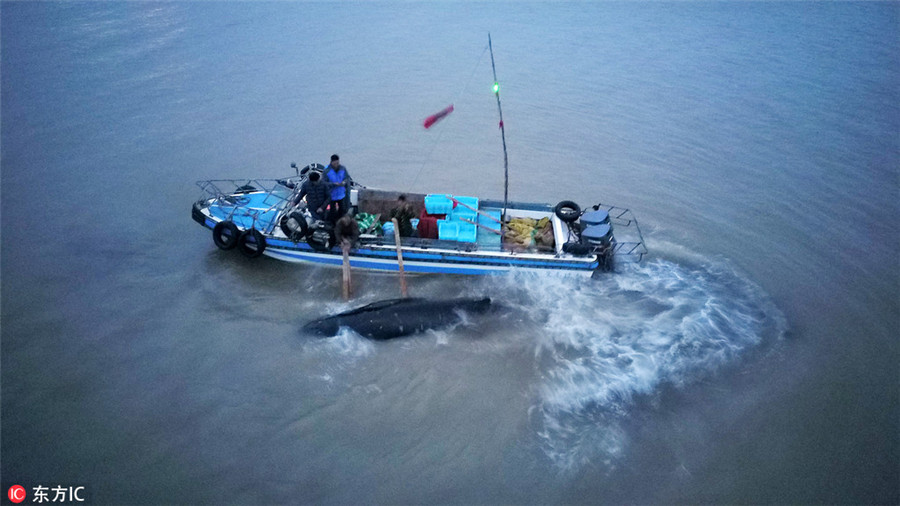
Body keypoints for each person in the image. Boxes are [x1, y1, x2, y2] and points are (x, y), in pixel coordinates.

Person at [323, 154, 352, 222]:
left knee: (342, 210)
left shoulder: (343, 168)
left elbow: (347, 178)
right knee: (332, 211)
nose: (336, 164)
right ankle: (332, 223)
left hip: (341, 194)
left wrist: (344, 182)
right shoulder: (327, 171)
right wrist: (333, 184)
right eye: (335, 163)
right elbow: (324, 183)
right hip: (331, 195)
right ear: (331, 162)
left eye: (337, 163)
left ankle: (341, 222)